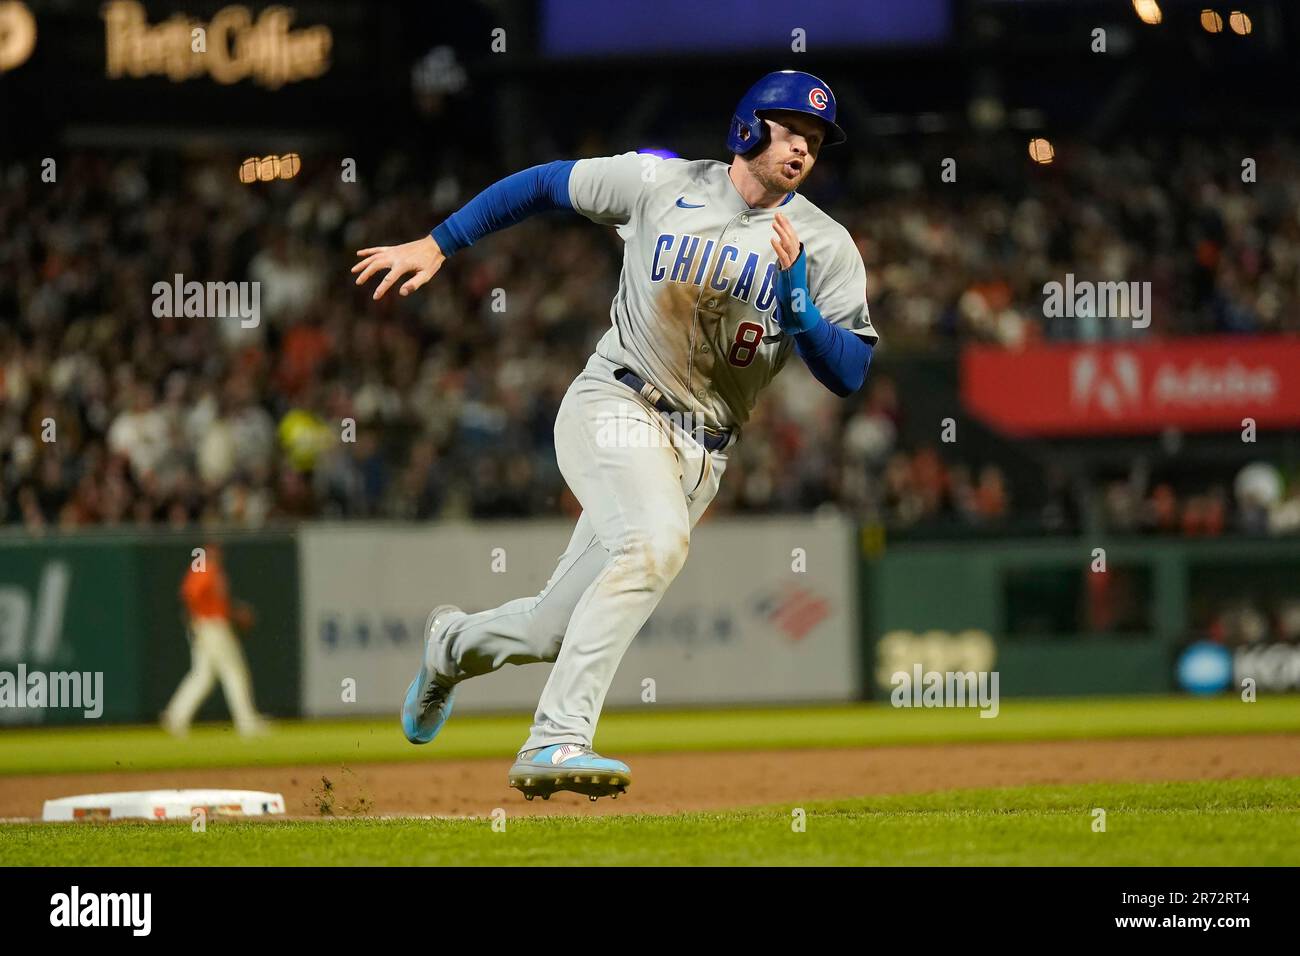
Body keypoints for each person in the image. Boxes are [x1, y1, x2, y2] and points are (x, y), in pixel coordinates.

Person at [353, 70, 877, 801]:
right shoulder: (657, 183)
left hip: (700, 452)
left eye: (815, 140)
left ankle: (450, 645)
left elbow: (850, 371)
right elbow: (543, 183)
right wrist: (441, 244)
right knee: (654, 546)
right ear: (747, 128)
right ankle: (556, 738)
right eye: (790, 130)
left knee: (549, 631)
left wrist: (801, 309)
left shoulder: (824, 245)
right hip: (617, 402)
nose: (802, 149)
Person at [161, 541, 269, 736]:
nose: (217, 553)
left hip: (210, 626)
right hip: (212, 627)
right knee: (234, 673)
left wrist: (234, 613)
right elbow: (190, 593)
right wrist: (198, 615)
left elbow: (206, 598)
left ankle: (176, 716)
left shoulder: (211, 568)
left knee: (202, 676)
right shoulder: (204, 567)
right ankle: (247, 723)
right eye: (213, 549)